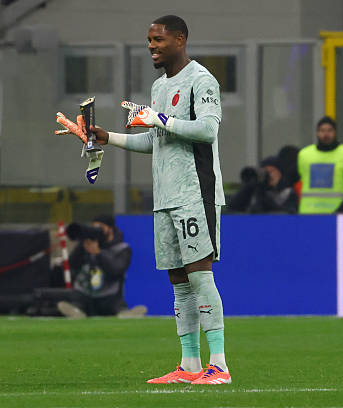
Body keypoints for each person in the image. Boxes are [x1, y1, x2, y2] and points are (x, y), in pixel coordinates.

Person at [55, 15, 230, 385]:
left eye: (158, 40)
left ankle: (219, 365)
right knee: (178, 280)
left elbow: (208, 130)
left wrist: (161, 118)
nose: (151, 46)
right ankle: (190, 365)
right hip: (165, 197)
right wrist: (107, 137)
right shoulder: (159, 86)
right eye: (149, 40)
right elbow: (155, 140)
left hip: (195, 192)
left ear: (180, 39)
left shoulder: (201, 79)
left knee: (199, 275)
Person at [57, 215, 144, 318]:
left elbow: (116, 269)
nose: (97, 230)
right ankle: (77, 310)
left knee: (116, 303)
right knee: (79, 299)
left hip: (110, 295)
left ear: (110, 228)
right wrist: (81, 246)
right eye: (94, 227)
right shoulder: (87, 245)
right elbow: (72, 264)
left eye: (100, 227)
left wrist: (98, 253)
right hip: (86, 293)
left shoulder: (122, 248)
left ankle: (124, 313)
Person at [297, 116, 343, 213]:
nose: (326, 134)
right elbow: (293, 178)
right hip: (309, 212)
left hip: (338, 212)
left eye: (329, 130)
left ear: (335, 132)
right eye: (322, 131)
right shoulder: (304, 155)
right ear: (317, 133)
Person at [229, 156, 298, 213]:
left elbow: (288, 212)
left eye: (271, 171)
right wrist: (249, 186)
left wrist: (266, 198)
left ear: (280, 173)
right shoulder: (255, 190)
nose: (268, 175)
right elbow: (233, 206)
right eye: (264, 172)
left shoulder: (288, 191)